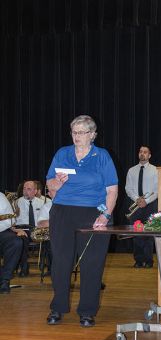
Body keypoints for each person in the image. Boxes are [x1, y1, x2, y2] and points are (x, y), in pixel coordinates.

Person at [46, 114, 118, 327]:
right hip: (62, 213)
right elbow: (50, 188)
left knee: (92, 264)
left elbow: (112, 190)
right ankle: (57, 308)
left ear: (92, 134)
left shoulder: (102, 156)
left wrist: (105, 215)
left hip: (92, 213)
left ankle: (87, 311)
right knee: (60, 262)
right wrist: (56, 183)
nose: (77, 136)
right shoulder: (62, 154)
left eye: (82, 132)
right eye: (74, 132)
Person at [125, 145, 158, 268]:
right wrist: (137, 199)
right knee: (137, 233)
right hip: (136, 205)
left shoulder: (155, 170)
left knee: (148, 233)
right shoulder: (131, 170)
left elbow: (157, 190)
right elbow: (128, 188)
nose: (142, 154)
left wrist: (146, 201)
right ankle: (138, 260)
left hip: (150, 205)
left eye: (145, 152)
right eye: (140, 152)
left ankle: (149, 260)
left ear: (149, 155)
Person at [15, 180, 46, 276]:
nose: (25, 191)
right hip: (22, 229)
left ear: (35, 191)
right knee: (21, 240)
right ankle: (24, 267)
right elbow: (12, 221)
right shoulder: (17, 202)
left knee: (50, 239)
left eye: (29, 189)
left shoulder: (42, 203)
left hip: (37, 229)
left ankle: (50, 267)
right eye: (24, 188)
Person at [0, 192, 24, 294]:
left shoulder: (0, 196)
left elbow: (10, 220)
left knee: (16, 242)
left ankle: (5, 280)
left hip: (1, 230)